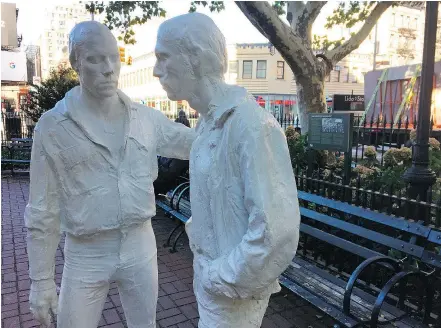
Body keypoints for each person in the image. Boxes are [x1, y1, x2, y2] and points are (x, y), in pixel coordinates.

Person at [25, 21, 195, 328]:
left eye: (113, 57)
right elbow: (41, 210)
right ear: (76, 62)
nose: (108, 68)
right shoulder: (52, 127)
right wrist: (41, 280)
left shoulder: (145, 118)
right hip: (85, 253)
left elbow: (193, 143)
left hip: (140, 245)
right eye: (94, 59)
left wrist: (230, 119)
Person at [154, 13, 300, 328]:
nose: (156, 70)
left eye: (163, 57)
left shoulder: (250, 124)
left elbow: (278, 232)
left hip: (232, 287)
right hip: (210, 274)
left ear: (195, 57)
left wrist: (222, 275)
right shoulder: (208, 123)